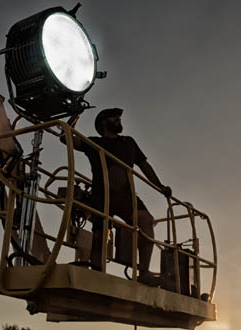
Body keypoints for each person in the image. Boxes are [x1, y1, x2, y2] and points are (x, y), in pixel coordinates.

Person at [62, 108, 171, 285]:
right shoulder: (94, 142)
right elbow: (64, 138)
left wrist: (160, 186)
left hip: (126, 196)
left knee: (146, 220)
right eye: (115, 117)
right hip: (101, 195)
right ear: (104, 122)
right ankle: (96, 273)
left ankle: (144, 273)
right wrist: (76, 114)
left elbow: (145, 166)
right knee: (100, 235)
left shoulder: (129, 142)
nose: (119, 120)